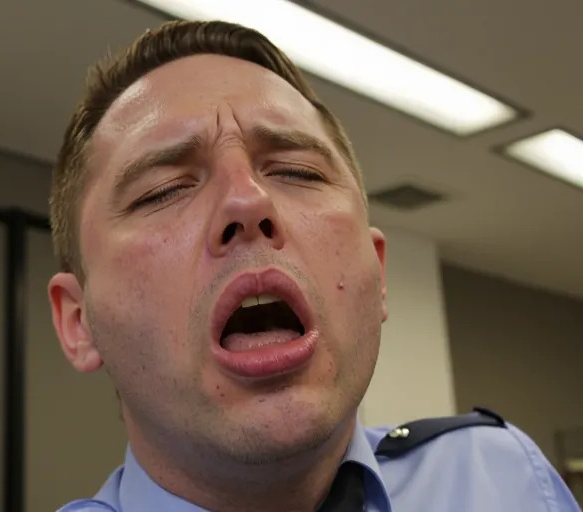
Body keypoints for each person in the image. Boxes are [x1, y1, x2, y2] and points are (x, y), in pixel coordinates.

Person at [47, 20, 580, 512]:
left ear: (377, 275)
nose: (247, 201)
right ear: (78, 322)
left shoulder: (503, 479)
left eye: (298, 171)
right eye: (163, 191)